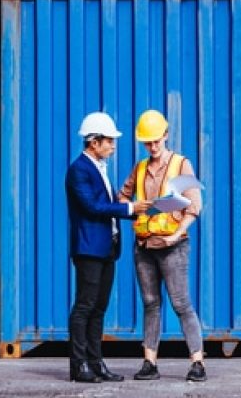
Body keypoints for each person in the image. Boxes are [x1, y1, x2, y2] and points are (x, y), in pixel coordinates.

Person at [118, 109, 207, 383]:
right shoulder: (141, 168)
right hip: (144, 246)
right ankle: (149, 363)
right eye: (148, 142)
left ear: (166, 135)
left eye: (156, 140)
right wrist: (133, 208)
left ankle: (197, 364)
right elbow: (123, 198)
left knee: (181, 304)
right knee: (150, 304)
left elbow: (195, 205)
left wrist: (175, 233)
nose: (153, 146)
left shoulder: (181, 165)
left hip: (173, 246)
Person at [65, 112, 151, 384]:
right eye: (110, 141)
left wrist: (141, 211)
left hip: (106, 248)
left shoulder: (99, 168)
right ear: (93, 142)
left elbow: (110, 204)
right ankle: (79, 366)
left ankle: (96, 363)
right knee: (84, 306)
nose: (114, 146)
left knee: (99, 308)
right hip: (89, 249)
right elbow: (93, 207)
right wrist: (129, 208)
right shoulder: (79, 170)